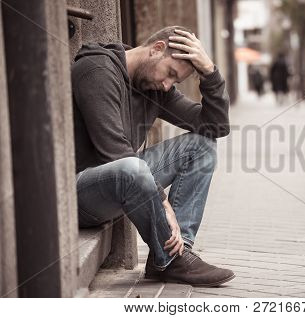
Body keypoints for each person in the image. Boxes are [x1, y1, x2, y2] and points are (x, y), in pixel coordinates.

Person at [71, 26, 234, 287]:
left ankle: (178, 253)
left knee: (202, 146)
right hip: (79, 194)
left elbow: (216, 127)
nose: (168, 85)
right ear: (157, 49)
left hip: (122, 179)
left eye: (175, 81)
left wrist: (210, 73)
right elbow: (113, 151)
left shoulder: (155, 88)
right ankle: (171, 258)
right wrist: (163, 202)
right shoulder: (96, 71)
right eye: (170, 73)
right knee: (132, 168)